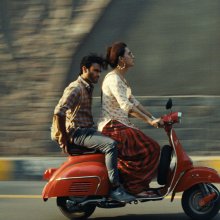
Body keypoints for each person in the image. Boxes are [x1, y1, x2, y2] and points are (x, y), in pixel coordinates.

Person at [52, 53, 135, 202]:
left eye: (99, 72)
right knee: (110, 145)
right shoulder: (75, 88)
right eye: (95, 71)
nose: (98, 74)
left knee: (119, 139)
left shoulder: (87, 87)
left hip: (86, 130)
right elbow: (59, 112)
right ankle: (115, 188)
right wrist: (64, 138)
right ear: (85, 69)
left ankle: (124, 182)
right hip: (77, 133)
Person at [98, 42, 162, 197]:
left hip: (120, 125)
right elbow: (126, 106)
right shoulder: (113, 79)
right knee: (151, 148)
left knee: (150, 148)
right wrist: (149, 121)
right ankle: (134, 187)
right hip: (112, 127)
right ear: (121, 59)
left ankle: (135, 184)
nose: (133, 56)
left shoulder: (121, 80)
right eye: (129, 54)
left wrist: (153, 118)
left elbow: (135, 103)